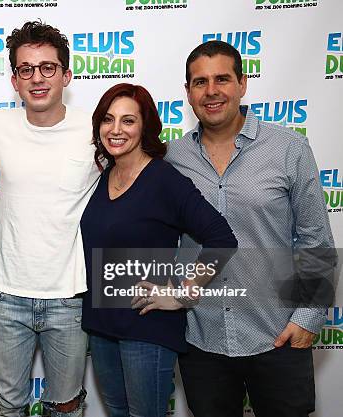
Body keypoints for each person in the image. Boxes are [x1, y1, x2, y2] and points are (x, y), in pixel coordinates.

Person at [163, 40, 336, 417]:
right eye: (200, 82)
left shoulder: (289, 149)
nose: (211, 91)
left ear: (242, 83)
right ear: (188, 93)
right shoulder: (171, 158)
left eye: (222, 79)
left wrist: (307, 319)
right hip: (201, 339)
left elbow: (316, 241)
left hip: (278, 337)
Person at [80, 83, 237, 417]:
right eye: (108, 120)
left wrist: (182, 294)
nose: (116, 129)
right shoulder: (105, 176)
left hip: (147, 326)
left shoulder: (164, 180)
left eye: (128, 121)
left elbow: (222, 239)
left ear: (145, 127)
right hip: (101, 325)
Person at [0, 21, 100, 417]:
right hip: (8, 295)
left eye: (48, 67)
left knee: (65, 407)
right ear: (14, 80)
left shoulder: (96, 128)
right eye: (26, 69)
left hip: (70, 295)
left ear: (66, 74)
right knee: (9, 406)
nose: (37, 78)